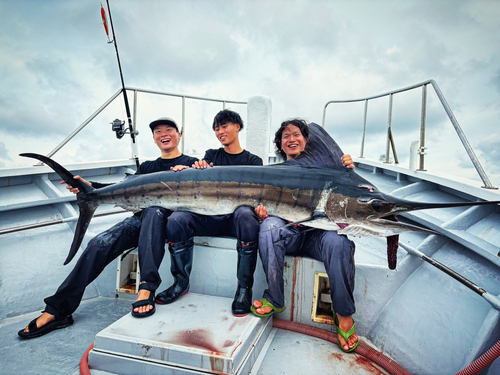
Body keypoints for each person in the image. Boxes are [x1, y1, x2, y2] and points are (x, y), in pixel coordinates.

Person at [18, 117, 198, 339]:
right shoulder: (148, 167)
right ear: (153, 138)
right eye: (158, 131)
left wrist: (191, 170)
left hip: (169, 221)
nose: (164, 134)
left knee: (154, 211)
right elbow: (124, 188)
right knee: (98, 244)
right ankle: (58, 310)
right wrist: (90, 187)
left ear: (179, 134)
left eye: (169, 129)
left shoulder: (192, 162)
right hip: (141, 219)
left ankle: (147, 287)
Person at [252, 119, 359, 353]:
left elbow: (351, 198)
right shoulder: (272, 174)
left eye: (296, 134)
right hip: (289, 233)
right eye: (285, 136)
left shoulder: (327, 168)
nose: (291, 139)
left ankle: (343, 313)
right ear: (280, 144)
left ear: (306, 140)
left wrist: (347, 171)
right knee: (269, 225)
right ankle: (275, 298)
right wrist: (261, 213)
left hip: (317, 236)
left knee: (338, 242)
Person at [155, 109, 262, 317]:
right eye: (216, 128)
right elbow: (200, 180)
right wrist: (196, 168)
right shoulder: (212, 155)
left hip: (234, 221)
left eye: (224, 126)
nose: (220, 131)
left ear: (237, 127)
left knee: (246, 215)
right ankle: (180, 282)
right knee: (177, 219)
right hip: (209, 215)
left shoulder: (254, 161)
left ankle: (243, 290)